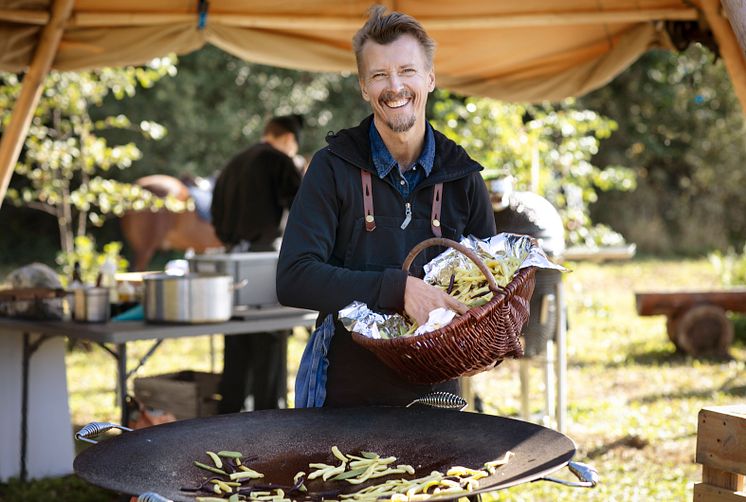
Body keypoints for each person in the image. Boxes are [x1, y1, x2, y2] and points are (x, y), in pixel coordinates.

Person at [276, 7, 496, 408]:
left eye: (407, 71)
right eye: (379, 75)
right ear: (363, 86)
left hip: (439, 395)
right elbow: (293, 278)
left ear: (430, 78)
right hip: (345, 394)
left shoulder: (463, 176)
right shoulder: (331, 167)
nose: (394, 86)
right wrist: (397, 289)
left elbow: (488, 288)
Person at [211, 114, 304, 413]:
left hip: (229, 262)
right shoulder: (278, 161)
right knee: (269, 341)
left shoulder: (233, 163)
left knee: (236, 341)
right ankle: (268, 416)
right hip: (263, 261)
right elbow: (303, 210)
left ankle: (229, 413)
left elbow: (214, 213)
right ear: (289, 139)